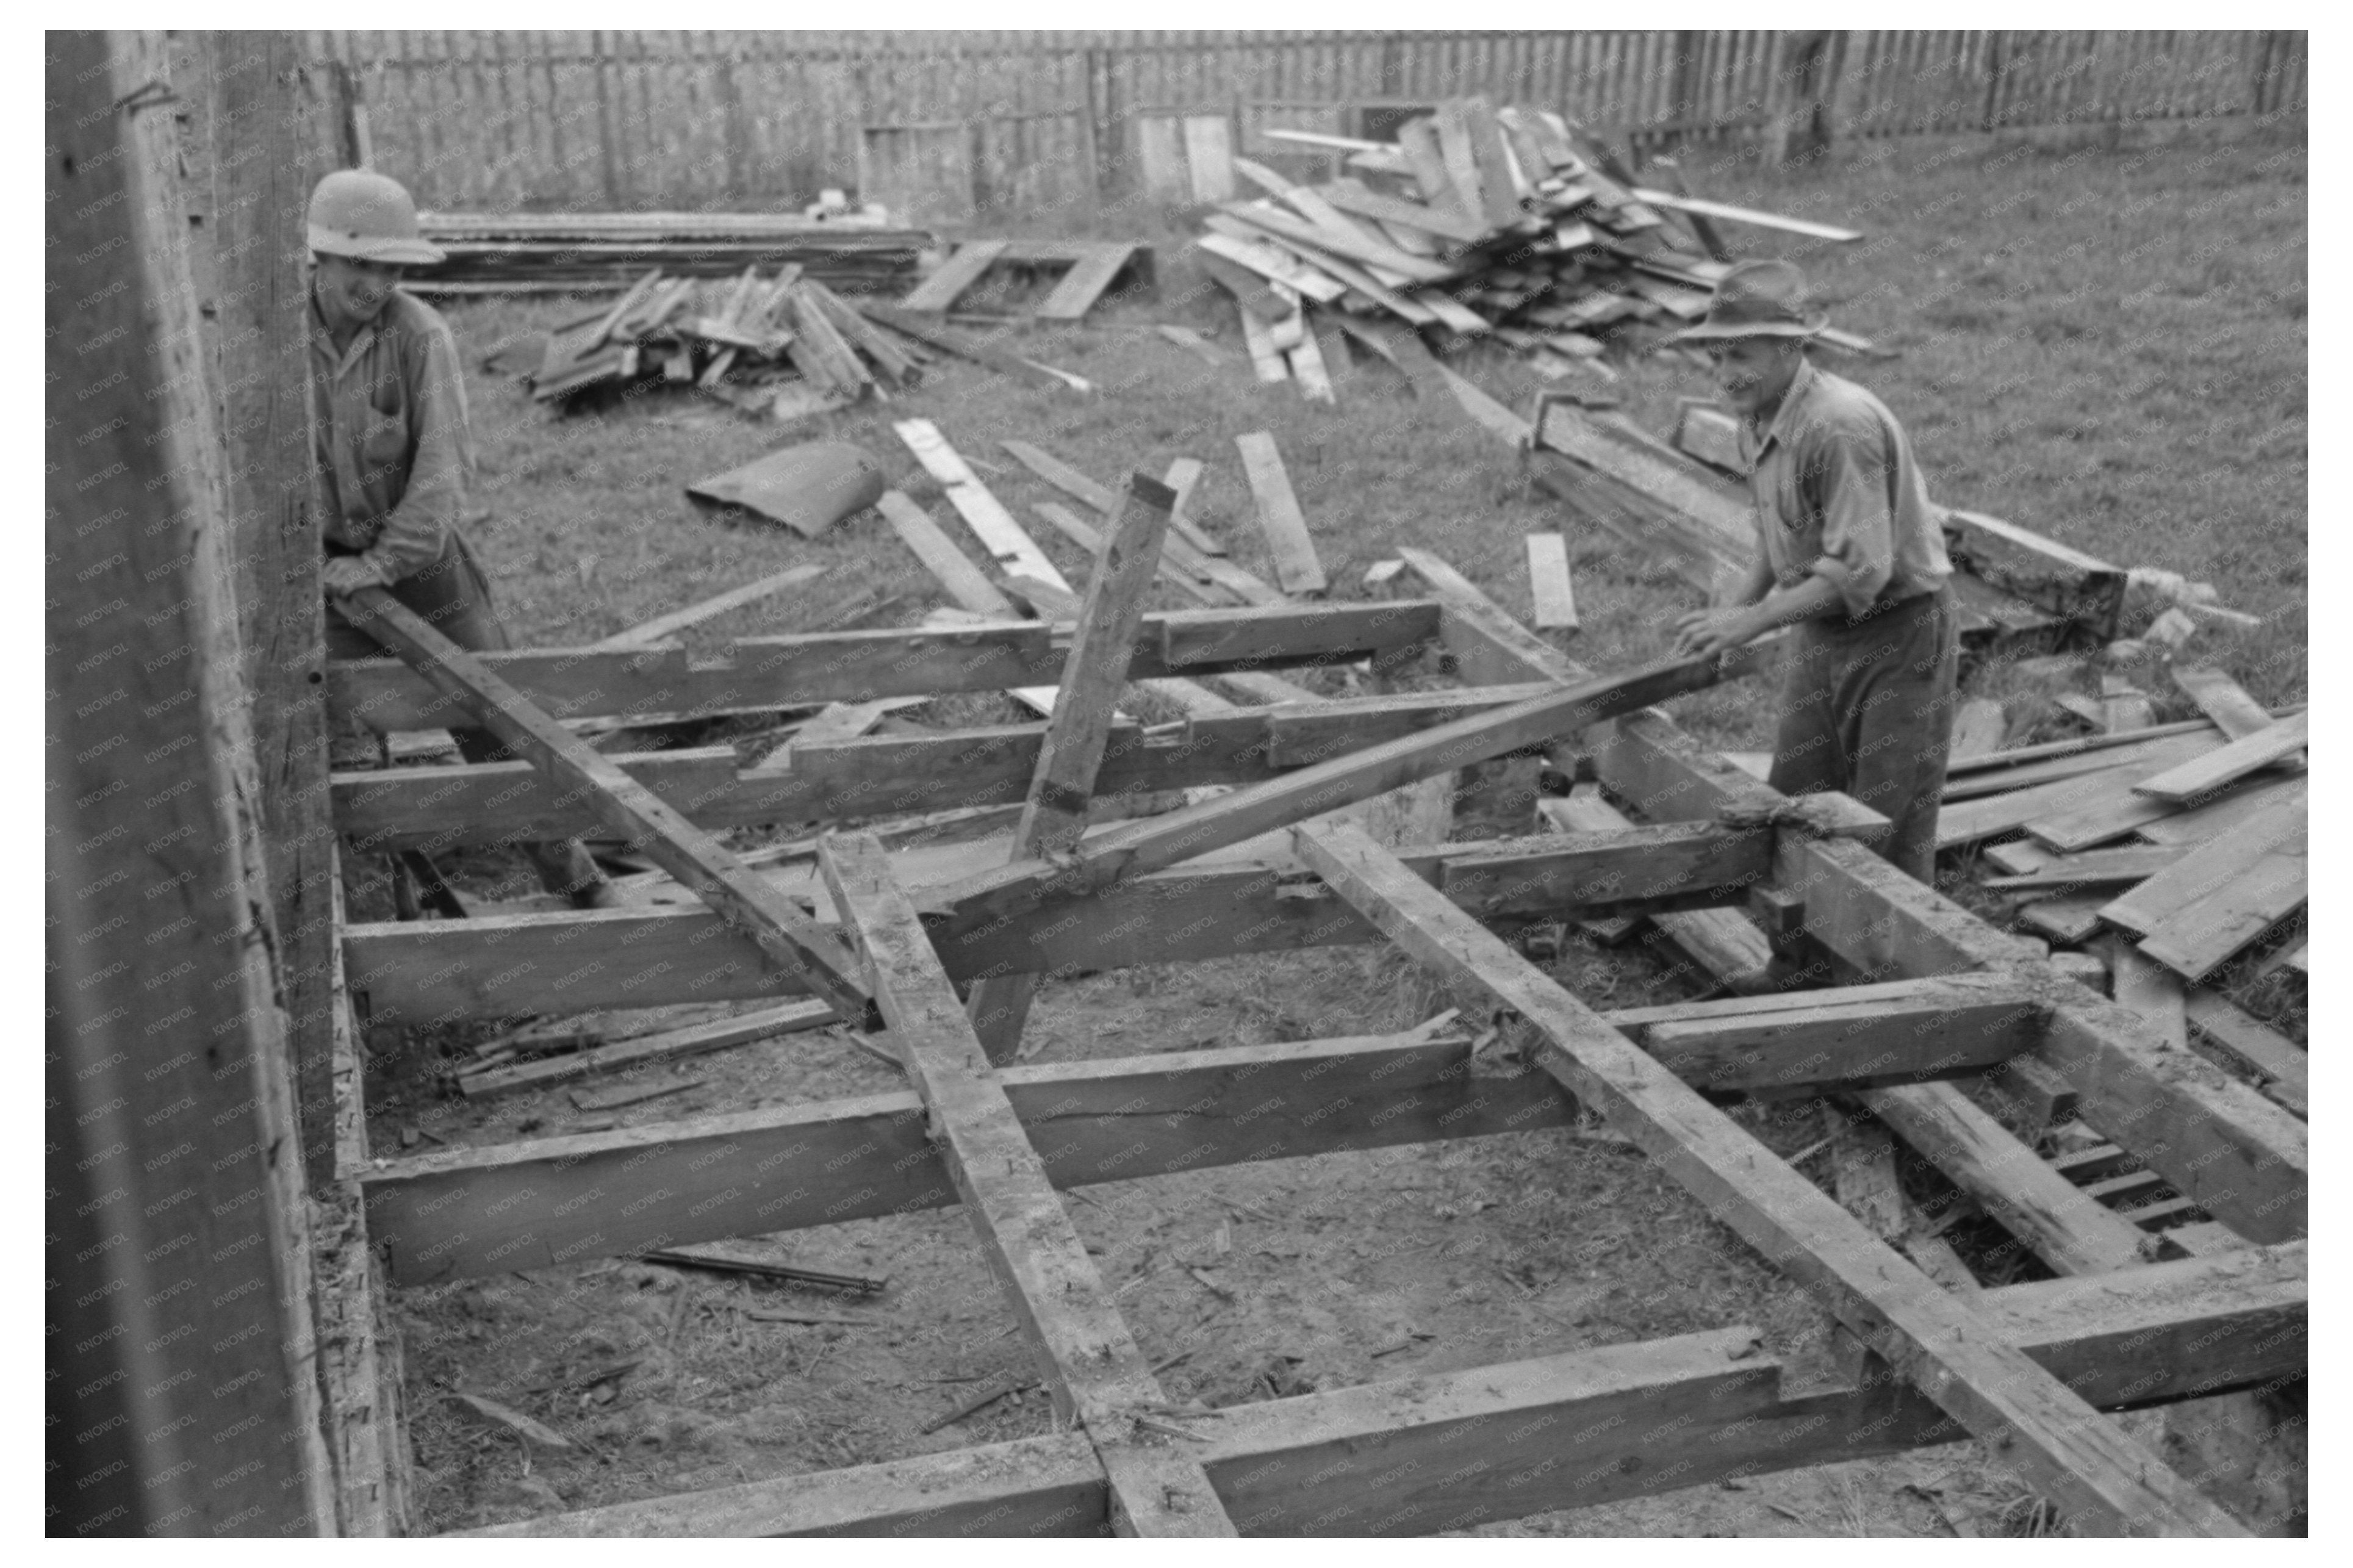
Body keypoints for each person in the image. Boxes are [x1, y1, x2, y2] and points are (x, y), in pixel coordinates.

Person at [307, 169, 615, 909]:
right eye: (360, 264)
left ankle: (575, 878)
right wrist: (326, 572)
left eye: (389, 266)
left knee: (496, 724)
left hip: (421, 567)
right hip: (321, 575)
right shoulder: (272, 339)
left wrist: (382, 563)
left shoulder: (420, 336)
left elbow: (443, 473)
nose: (375, 282)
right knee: (348, 749)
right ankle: (401, 919)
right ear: (321, 257)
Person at [1667, 260, 1958, 883]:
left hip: (1898, 632)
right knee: (1794, 795)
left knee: (1881, 813)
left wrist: (1747, 623)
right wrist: (1733, 611)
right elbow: (1779, 533)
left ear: (1789, 347)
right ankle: (1795, 962)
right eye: (1714, 359)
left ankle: (1885, 970)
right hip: (1821, 627)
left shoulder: (1838, 425)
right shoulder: (1758, 417)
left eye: (1738, 357)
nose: (1723, 376)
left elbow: (1861, 571)